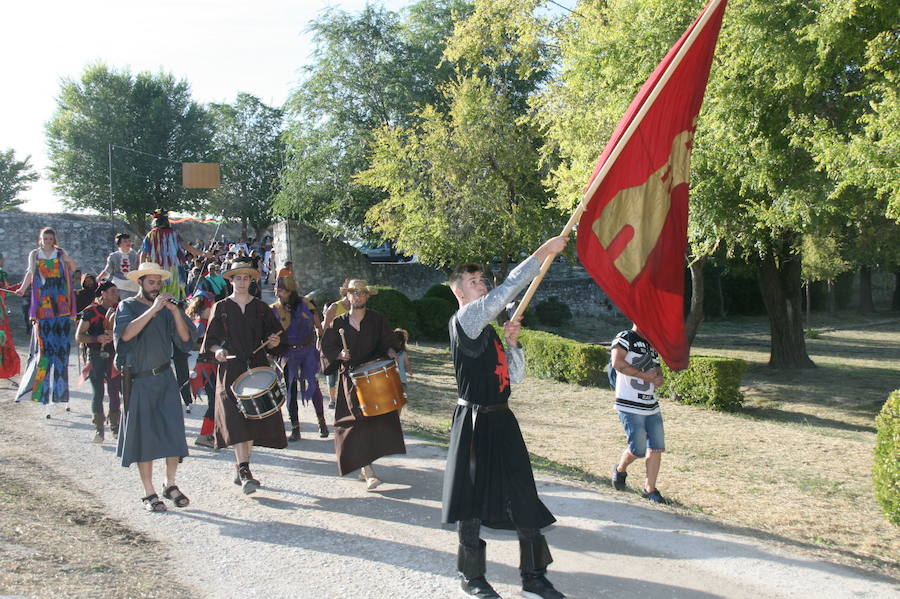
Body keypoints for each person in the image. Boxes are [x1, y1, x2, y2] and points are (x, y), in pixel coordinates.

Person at [443, 235, 569, 599]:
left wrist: (513, 343)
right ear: (459, 293)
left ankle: (534, 576)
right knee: (471, 503)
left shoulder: (489, 333)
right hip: (472, 422)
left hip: (502, 420)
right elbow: (511, 285)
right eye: (472, 282)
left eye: (483, 279)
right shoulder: (466, 318)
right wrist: (541, 253)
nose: (481, 284)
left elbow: (515, 378)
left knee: (523, 495)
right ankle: (472, 577)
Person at [114, 262, 196, 512]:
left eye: (158, 283)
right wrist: (153, 309)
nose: (156, 287)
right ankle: (149, 492)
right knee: (144, 439)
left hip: (165, 378)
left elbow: (185, 339)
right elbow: (126, 334)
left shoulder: (165, 310)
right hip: (139, 380)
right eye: (151, 282)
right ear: (140, 283)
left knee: (173, 433)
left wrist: (173, 312)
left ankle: (169, 484)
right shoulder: (126, 306)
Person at [201, 259, 284, 494]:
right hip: (230, 368)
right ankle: (245, 469)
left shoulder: (261, 308)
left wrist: (275, 341)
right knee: (235, 420)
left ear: (251, 281)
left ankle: (241, 466)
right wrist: (217, 350)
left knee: (250, 420)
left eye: (246, 277)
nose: (242, 281)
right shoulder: (222, 307)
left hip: (256, 368)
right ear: (231, 280)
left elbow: (275, 335)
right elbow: (211, 340)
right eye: (238, 277)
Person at [320, 279, 405, 491]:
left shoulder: (376, 319)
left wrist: (392, 353)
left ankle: (365, 466)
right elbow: (326, 348)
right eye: (353, 293)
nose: (357, 297)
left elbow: (387, 342)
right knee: (356, 423)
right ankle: (368, 471)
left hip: (373, 379)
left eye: (361, 293)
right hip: (350, 379)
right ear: (347, 297)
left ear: (367, 296)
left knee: (373, 423)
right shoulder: (338, 323)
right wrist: (339, 354)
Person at [139, 209, 207, 413]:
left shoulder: (150, 236)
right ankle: (185, 398)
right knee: (179, 356)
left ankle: (168, 398)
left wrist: (140, 276)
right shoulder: (173, 235)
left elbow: (143, 255)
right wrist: (205, 254)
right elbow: (188, 249)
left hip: (157, 286)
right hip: (174, 287)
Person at [15, 227, 78, 414]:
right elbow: (30, 274)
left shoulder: (60, 253)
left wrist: (67, 260)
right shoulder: (35, 254)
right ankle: (40, 395)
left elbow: (73, 269)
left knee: (62, 352)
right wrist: (22, 288)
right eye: (45, 238)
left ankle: (61, 395)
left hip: (62, 306)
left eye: (51, 238)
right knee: (44, 353)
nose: (48, 240)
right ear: (40, 239)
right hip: (44, 306)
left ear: (54, 239)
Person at [610, 324, 667, 504]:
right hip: (629, 404)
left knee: (657, 447)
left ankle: (650, 489)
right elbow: (617, 363)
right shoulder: (626, 337)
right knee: (638, 449)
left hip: (651, 405)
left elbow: (657, 369)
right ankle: (620, 468)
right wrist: (645, 376)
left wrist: (658, 378)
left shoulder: (652, 344)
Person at [271, 276, 328, 441]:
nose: (277, 293)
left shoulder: (307, 304)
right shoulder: (274, 309)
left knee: (314, 385)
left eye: (280, 290)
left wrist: (320, 340)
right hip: (288, 353)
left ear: (290, 291)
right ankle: (295, 427)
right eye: (276, 290)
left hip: (308, 351)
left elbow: (319, 328)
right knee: (290, 390)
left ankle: (321, 422)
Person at [76, 280, 121, 443]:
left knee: (115, 391)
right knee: (98, 393)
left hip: (115, 355)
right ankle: (99, 429)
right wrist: (97, 338)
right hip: (96, 355)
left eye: (116, 292)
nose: (116, 295)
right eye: (112, 291)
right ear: (102, 293)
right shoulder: (91, 311)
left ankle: (115, 426)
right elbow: (79, 336)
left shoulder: (121, 309)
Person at [185, 291, 218, 449]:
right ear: (207, 306)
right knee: (215, 401)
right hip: (206, 367)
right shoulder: (202, 324)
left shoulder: (198, 321)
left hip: (206, 366)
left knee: (216, 401)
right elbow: (196, 345)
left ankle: (211, 433)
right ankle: (205, 435)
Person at [322, 282, 351, 410]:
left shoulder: (357, 308)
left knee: (347, 376)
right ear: (346, 292)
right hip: (334, 347)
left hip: (349, 347)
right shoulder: (335, 307)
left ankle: (344, 400)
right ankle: (333, 400)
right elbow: (325, 327)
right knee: (332, 375)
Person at [98, 232, 140, 298]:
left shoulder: (136, 255)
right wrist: (98, 278)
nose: (128, 243)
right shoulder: (113, 256)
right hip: (118, 286)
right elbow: (107, 271)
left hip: (133, 286)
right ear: (119, 244)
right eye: (125, 241)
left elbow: (139, 269)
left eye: (129, 241)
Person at [393, 328, 412, 395]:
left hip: (401, 381)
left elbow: (407, 364)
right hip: (394, 381)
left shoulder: (403, 353)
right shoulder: (389, 353)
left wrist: (409, 370)